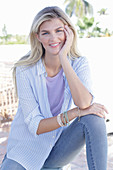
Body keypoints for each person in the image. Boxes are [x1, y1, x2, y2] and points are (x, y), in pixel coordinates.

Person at [1, 6, 108, 170]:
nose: (53, 38)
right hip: (25, 153)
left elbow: (85, 103)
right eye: (46, 33)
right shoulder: (24, 69)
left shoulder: (79, 63)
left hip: (57, 150)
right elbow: (35, 126)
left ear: (69, 32)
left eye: (59, 30)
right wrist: (74, 113)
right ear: (38, 37)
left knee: (94, 119)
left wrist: (63, 58)